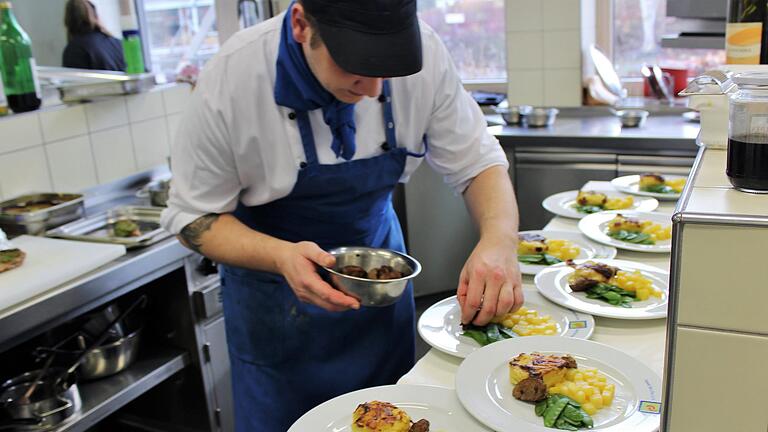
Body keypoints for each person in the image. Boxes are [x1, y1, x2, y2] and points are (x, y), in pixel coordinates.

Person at [160, 0, 523, 430]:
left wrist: (499, 241)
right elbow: (192, 219)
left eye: (387, 73)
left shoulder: (425, 53)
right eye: (355, 65)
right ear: (301, 25)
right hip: (276, 309)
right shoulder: (235, 77)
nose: (372, 90)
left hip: (379, 301)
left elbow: (478, 163)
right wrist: (280, 256)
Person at [62, 0, 125, 71]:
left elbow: (75, 80)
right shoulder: (117, 42)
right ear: (96, 16)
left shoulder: (75, 49)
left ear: (68, 20)